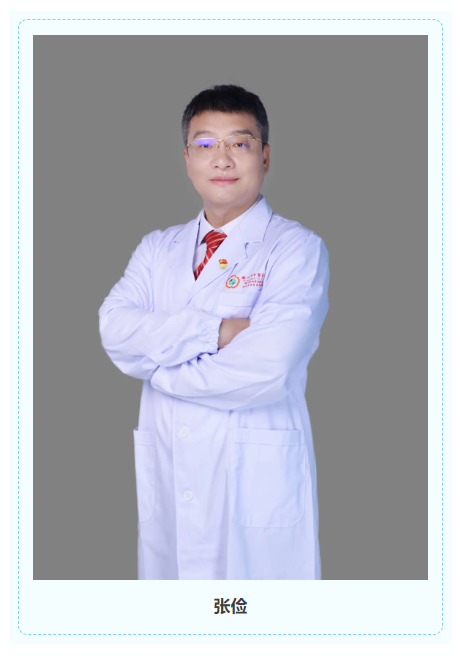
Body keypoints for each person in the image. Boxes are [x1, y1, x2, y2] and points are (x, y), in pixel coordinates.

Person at [98, 84, 330, 580]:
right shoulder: (157, 249)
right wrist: (216, 331)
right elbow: (115, 329)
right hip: (170, 473)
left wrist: (159, 371)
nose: (221, 159)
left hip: (255, 485)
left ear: (265, 156)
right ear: (187, 160)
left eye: (239, 143)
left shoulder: (295, 248)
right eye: (205, 144)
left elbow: (267, 368)